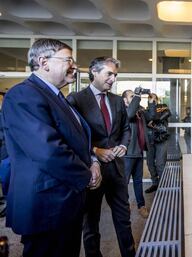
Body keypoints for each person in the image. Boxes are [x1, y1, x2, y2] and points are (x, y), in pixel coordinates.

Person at [1, 38, 101, 257]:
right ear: (44, 62)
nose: (74, 66)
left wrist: (93, 161)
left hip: (65, 203)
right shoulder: (23, 95)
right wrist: (86, 175)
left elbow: (78, 140)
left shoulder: (57, 97)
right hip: (47, 206)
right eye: (68, 60)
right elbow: (48, 151)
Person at [67, 56, 135, 257]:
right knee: (91, 221)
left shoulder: (116, 100)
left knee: (124, 218)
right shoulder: (76, 100)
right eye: (109, 74)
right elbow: (72, 137)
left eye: (115, 75)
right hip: (91, 171)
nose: (113, 79)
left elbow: (125, 128)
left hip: (116, 169)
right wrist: (95, 151)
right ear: (94, 72)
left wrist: (123, 144)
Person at [122, 89, 155, 218]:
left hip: (139, 153)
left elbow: (151, 117)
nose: (135, 98)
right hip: (128, 154)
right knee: (124, 182)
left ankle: (141, 206)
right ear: (125, 100)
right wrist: (138, 95)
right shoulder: (125, 111)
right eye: (132, 96)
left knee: (138, 181)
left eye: (134, 96)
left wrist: (151, 103)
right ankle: (124, 206)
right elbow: (130, 114)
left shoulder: (139, 111)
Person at [145, 93, 171, 193]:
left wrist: (154, 123)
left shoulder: (163, 107)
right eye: (150, 99)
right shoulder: (146, 110)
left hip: (161, 139)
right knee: (150, 163)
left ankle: (164, 185)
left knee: (160, 164)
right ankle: (155, 184)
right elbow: (147, 120)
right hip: (150, 140)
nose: (152, 100)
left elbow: (167, 113)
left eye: (154, 99)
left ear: (157, 100)